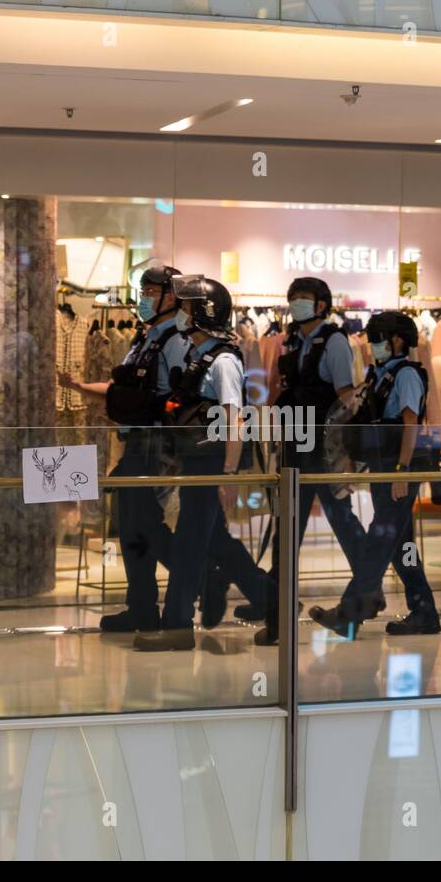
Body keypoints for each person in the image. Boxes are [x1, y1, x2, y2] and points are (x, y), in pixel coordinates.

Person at [135, 276, 278, 652]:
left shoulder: (224, 361)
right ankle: (273, 605)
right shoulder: (202, 356)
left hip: (212, 463)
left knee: (188, 546)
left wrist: (227, 475)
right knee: (211, 541)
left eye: (185, 306)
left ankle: (177, 626)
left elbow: (235, 420)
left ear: (201, 313)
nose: (180, 313)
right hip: (199, 461)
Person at [59, 263, 189, 634]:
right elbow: (125, 391)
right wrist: (79, 387)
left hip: (157, 444)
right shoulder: (146, 339)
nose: (144, 298)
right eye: (143, 291)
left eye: (152, 292)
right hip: (136, 443)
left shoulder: (177, 341)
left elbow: (179, 398)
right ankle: (142, 606)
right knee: (132, 527)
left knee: (145, 525)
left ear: (172, 297)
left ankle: (199, 579)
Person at [241, 276, 367, 643]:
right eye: (293, 297)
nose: (297, 303)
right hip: (296, 446)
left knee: (344, 523)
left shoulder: (336, 341)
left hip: (324, 451)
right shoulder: (293, 342)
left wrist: (342, 456)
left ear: (323, 304)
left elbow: (346, 400)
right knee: (287, 531)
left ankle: (365, 597)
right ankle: (279, 612)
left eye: (305, 298)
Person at [309, 310, 440, 638]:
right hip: (384, 468)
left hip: (399, 468)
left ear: (397, 341)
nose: (373, 345)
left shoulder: (407, 374)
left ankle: (351, 613)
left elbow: (410, 424)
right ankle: (424, 611)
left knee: (380, 539)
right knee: (399, 545)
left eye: (379, 338)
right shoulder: (380, 375)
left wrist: (402, 471)